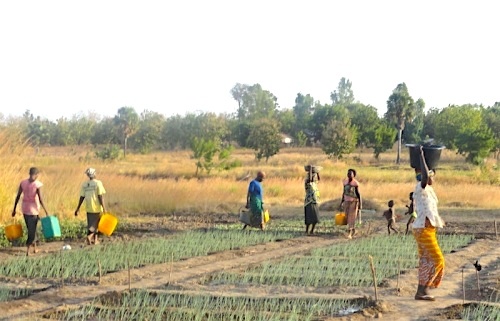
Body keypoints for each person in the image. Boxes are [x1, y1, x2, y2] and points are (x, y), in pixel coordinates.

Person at [412, 145, 445, 301]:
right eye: (432, 175)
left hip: (428, 229)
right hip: (423, 229)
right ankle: (425, 289)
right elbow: (424, 177)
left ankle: (421, 292)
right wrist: (421, 155)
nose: (433, 178)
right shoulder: (420, 187)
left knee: (426, 261)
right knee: (438, 260)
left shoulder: (429, 190)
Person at [12, 167, 49, 256]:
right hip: (33, 210)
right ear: (36, 175)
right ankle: (28, 250)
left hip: (25, 208)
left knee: (32, 228)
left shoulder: (23, 183)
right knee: (31, 231)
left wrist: (14, 209)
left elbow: (18, 196)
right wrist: (46, 211)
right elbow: (41, 199)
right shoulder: (37, 184)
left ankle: (35, 248)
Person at [75, 168, 107, 245]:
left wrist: (78, 208)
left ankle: (95, 240)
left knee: (92, 224)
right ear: (94, 174)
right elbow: (100, 196)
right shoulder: (98, 183)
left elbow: (82, 197)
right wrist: (104, 208)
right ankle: (90, 237)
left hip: (89, 208)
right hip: (97, 208)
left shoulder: (85, 185)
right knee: (97, 225)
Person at [340, 168, 362, 239]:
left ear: (354, 175)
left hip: (353, 201)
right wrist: (342, 201)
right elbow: (344, 192)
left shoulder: (355, 183)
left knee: (352, 217)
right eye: (348, 173)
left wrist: (360, 204)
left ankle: (349, 233)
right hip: (346, 201)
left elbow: (358, 194)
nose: (349, 175)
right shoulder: (345, 182)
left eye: (350, 173)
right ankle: (353, 229)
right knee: (346, 216)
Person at [304, 165, 321, 235]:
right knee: (309, 218)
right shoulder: (308, 182)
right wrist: (311, 170)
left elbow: (319, 179)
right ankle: (307, 231)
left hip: (315, 201)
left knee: (315, 218)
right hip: (309, 201)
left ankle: (312, 231)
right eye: (313, 176)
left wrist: (317, 172)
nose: (315, 178)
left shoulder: (314, 183)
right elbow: (310, 179)